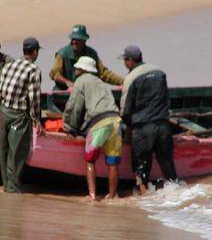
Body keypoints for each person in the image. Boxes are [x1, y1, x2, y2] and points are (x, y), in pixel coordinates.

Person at [119, 45, 178, 195]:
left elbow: (125, 110)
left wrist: (128, 127)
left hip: (143, 129)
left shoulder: (131, 78)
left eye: (125, 60)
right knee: (167, 163)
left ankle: (144, 197)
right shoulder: (159, 72)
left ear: (130, 60)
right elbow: (166, 99)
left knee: (141, 166)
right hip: (163, 126)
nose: (124, 63)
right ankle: (176, 192)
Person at [62, 56, 122, 201]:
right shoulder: (100, 82)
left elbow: (74, 106)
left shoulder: (81, 81)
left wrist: (70, 127)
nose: (75, 69)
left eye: (77, 68)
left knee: (90, 160)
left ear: (82, 69)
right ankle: (112, 195)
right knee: (112, 162)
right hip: (115, 120)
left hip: (99, 123)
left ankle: (92, 195)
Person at [0, 37, 43, 193]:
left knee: (3, 150)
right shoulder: (33, 70)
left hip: (4, 111)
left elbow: (0, 89)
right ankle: (13, 189)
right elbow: (34, 98)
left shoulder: (9, 65)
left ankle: (6, 186)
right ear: (35, 52)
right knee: (16, 154)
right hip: (19, 115)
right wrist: (37, 119)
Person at [50, 24, 123, 91]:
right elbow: (54, 74)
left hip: (84, 90)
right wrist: (67, 82)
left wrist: (123, 82)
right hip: (63, 90)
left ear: (84, 40)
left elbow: (103, 74)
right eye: (73, 39)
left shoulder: (91, 54)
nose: (74, 42)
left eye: (77, 39)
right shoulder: (62, 54)